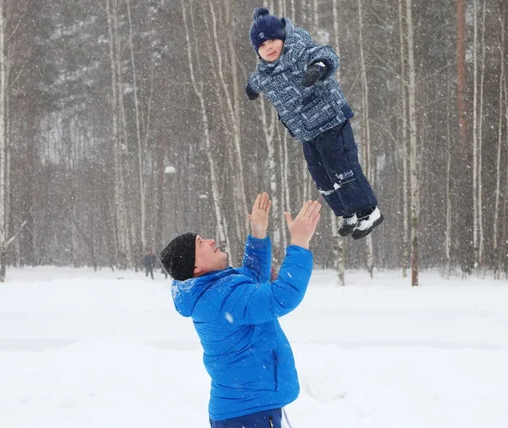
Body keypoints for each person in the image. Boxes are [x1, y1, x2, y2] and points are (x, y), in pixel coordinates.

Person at [159, 192, 321, 428]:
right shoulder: (221, 297)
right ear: (195, 267)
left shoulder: (212, 291)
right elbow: (282, 296)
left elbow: (251, 282)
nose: (211, 241)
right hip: (248, 413)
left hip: (244, 410)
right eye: (201, 243)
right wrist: (300, 242)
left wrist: (258, 233)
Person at [246, 7, 383, 239]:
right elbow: (255, 80)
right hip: (306, 132)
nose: (268, 47)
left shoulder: (299, 50)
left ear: (282, 38)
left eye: (272, 41)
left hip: (330, 120)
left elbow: (327, 54)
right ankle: (347, 212)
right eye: (262, 46)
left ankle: (369, 211)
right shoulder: (264, 71)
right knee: (322, 176)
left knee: (341, 167)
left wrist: (319, 67)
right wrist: (250, 88)